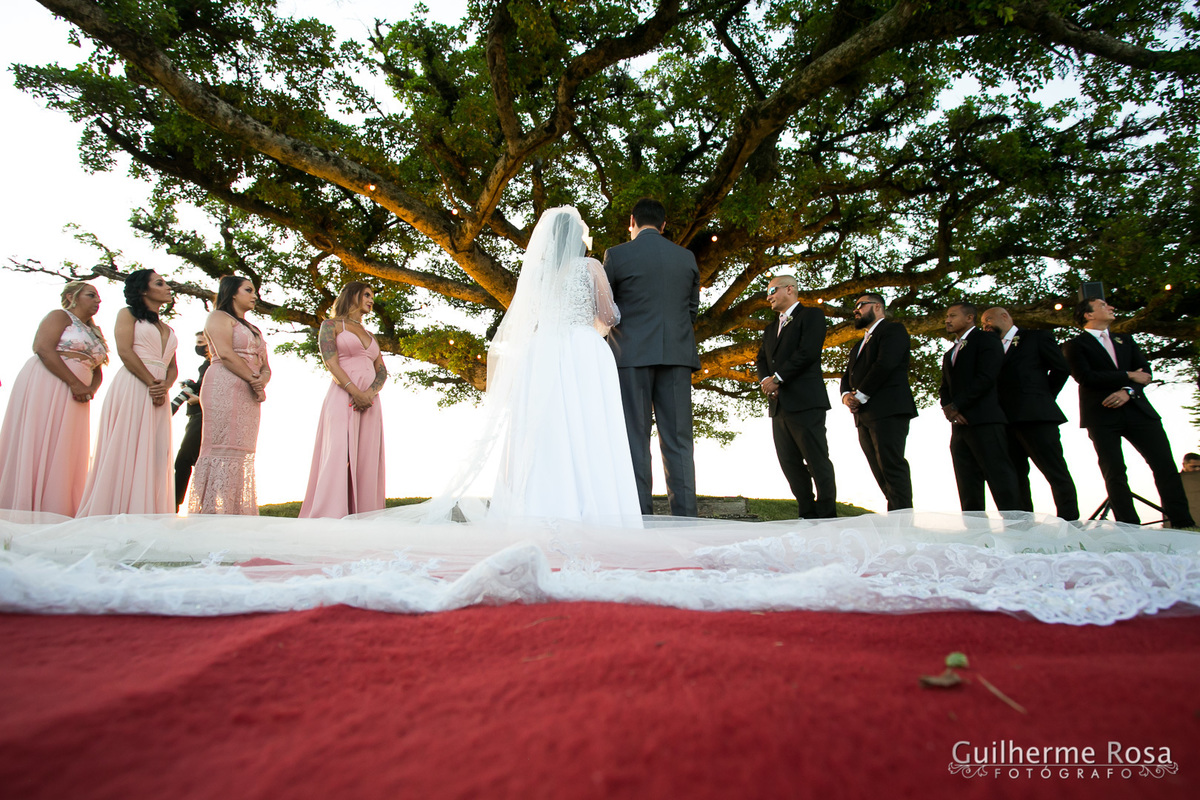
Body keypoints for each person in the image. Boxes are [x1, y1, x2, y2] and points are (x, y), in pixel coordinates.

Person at [487, 205, 641, 524]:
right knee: (589, 426)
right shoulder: (589, 266)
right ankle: (593, 506)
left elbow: (529, 319)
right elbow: (609, 315)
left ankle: (540, 504)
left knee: (546, 427)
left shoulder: (539, 273)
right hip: (583, 349)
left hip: (541, 349)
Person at [603, 198, 700, 517]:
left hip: (630, 356)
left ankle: (640, 517)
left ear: (632, 221)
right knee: (679, 440)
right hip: (676, 356)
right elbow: (691, 311)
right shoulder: (686, 257)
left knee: (635, 438)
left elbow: (606, 310)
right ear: (664, 223)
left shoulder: (616, 255)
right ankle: (686, 518)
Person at [1061, 296, 1194, 528]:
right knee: (1114, 471)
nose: (1111, 307)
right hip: (1102, 414)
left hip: (1138, 410)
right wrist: (1127, 375)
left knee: (1164, 465)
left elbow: (1144, 372)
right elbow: (1085, 377)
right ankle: (1128, 525)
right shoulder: (1075, 345)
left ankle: (1182, 521)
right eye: (1103, 305)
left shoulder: (1125, 339)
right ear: (1088, 314)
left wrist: (1128, 390)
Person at [0, 282, 108, 516]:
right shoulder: (60, 316)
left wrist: (90, 388)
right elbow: (42, 348)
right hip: (49, 382)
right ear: (72, 297)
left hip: (79, 394)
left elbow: (98, 367)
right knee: (39, 437)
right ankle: (23, 507)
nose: (98, 301)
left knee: (66, 445)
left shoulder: (94, 331)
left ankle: (57, 508)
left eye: (99, 298)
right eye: (91, 295)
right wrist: (74, 383)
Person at [76, 270, 178, 516]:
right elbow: (124, 351)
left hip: (160, 391)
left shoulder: (167, 327)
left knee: (155, 451)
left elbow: (173, 366)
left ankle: (147, 512)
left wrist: (165, 386)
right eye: (159, 283)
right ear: (143, 290)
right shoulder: (128, 314)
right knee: (128, 444)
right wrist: (151, 383)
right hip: (134, 383)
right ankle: (116, 510)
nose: (167, 287)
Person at [979, 307, 1080, 520]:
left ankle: (1069, 522)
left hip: (1036, 416)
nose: (985, 325)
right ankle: (1024, 526)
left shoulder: (1036, 337)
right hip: (1003, 421)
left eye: (988, 319)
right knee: (1015, 476)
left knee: (1055, 471)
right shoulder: (990, 347)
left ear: (1004, 316)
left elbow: (1061, 369)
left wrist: (1043, 396)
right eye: (982, 323)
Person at [299, 282, 388, 518]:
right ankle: (328, 515)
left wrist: (368, 394)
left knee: (367, 459)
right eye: (367, 295)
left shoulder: (370, 335)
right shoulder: (331, 326)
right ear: (353, 295)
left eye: (372, 296)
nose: (371, 300)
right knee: (338, 454)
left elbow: (381, 370)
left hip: (370, 403)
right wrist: (354, 392)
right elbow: (331, 362)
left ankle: (366, 515)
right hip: (342, 397)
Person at [757, 274, 837, 518]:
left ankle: (826, 514)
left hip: (805, 401)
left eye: (772, 290)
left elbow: (808, 352)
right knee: (789, 462)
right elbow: (761, 358)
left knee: (816, 459)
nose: (768, 296)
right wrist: (766, 381)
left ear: (789, 289)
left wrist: (779, 378)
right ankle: (806, 511)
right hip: (779, 405)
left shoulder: (811, 315)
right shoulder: (771, 328)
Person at [188, 276, 270, 515]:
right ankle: (211, 512)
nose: (255, 295)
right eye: (249, 290)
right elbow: (224, 353)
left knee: (242, 450)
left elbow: (265, 365)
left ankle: (237, 511)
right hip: (224, 383)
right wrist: (253, 380)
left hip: (250, 392)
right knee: (220, 446)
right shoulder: (218, 317)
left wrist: (261, 380)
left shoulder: (254, 329)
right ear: (232, 293)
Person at [939, 302, 1021, 512]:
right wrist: (949, 409)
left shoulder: (986, 340)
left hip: (985, 420)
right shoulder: (949, 353)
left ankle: (1017, 529)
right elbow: (945, 387)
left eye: (952, 315)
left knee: (999, 477)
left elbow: (987, 376)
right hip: (959, 425)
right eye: (947, 316)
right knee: (967, 482)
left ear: (969, 318)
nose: (947, 320)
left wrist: (959, 405)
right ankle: (975, 532)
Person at [838, 293, 916, 511]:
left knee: (891, 464)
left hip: (888, 409)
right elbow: (847, 376)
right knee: (878, 468)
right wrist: (846, 396)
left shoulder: (892, 330)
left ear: (878, 307)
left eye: (860, 305)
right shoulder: (858, 344)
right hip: (863, 415)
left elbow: (885, 364)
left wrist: (860, 395)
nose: (856, 310)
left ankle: (903, 519)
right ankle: (896, 513)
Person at [172, 332, 210, 509]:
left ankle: (173, 504)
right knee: (193, 460)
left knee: (184, 459)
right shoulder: (205, 365)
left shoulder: (215, 365)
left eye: (201, 342)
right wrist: (192, 385)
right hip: (196, 416)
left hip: (203, 416)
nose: (199, 347)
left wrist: (198, 398)